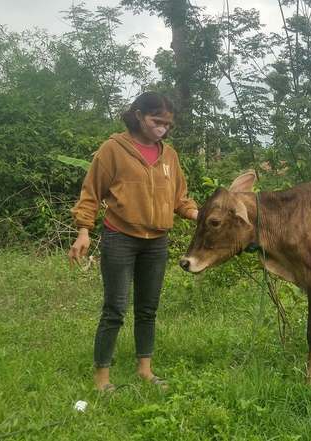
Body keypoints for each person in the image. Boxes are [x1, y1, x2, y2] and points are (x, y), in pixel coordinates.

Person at [68, 91, 198, 392]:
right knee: (115, 308)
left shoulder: (170, 156)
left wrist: (199, 214)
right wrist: (84, 230)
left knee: (147, 309)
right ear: (139, 116)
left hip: (157, 242)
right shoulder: (113, 149)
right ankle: (102, 379)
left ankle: (145, 371)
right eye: (156, 121)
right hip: (120, 238)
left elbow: (180, 199)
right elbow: (91, 193)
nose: (161, 129)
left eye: (167, 124)